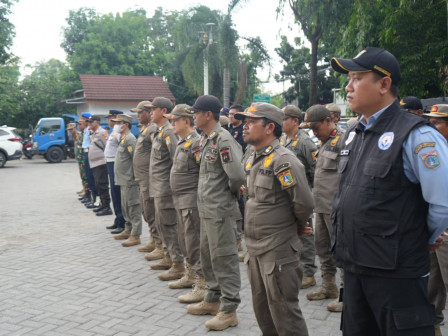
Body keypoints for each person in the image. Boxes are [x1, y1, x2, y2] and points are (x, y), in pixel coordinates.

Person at [330, 46, 448, 335]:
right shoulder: (354, 134)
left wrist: (426, 236)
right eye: (349, 79)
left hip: (398, 275)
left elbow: (443, 201)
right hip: (356, 269)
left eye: (357, 78)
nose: (348, 86)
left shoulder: (417, 134)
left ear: (384, 84)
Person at [235, 102, 314, 336]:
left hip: (277, 248)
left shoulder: (284, 160)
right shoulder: (252, 156)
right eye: (245, 121)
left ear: (269, 127)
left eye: (251, 122)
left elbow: (304, 203)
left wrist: (297, 226)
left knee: (284, 311)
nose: (245, 127)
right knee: (262, 309)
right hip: (255, 248)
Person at [186, 95, 245, 331]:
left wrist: (228, 195)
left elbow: (238, 176)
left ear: (207, 114)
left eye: (196, 113)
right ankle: (212, 300)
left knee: (224, 259)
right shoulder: (207, 139)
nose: (193, 117)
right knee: (209, 256)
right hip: (207, 209)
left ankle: (229, 309)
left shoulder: (223, 139)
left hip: (220, 210)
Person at [302, 105, 345, 313]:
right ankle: (329, 286)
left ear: (329, 121)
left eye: (317, 127)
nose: (314, 133)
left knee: (341, 251)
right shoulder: (324, 143)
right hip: (320, 207)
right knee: (322, 248)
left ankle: (348, 295)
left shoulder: (344, 141)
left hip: (336, 209)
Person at [165, 104, 205, 303]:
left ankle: (202, 284)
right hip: (180, 200)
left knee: (194, 242)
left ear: (186, 121)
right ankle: (190, 274)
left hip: (191, 202)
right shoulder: (183, 143)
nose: (172, 123)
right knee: (184, 240)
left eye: (175, 120)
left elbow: (203, 173)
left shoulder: (196, 143)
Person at [145, 98, 185, 281]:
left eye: (153, 109)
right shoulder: (161, 131)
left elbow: (175, 160)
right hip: (157, 187)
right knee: (162, 224)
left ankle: (178, 264)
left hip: (165, 189)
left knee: (169, 226)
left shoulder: (169, 132)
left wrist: (173, 187)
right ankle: (169, 257)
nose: (150, 112)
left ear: (163, 111)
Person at [280, 105, 318, 289]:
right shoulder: (282, 140)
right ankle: (297, 267)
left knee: (306, 232)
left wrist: (309, 190)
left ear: (295, 121)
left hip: (301, 195)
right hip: (285, 196)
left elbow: (316, 170)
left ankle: (309, 272)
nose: (281, 122)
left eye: (284, 118)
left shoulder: (305, 142)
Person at [423, 104, 448, 336]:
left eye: (437, 122)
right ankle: (433, 326)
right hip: (433, 228)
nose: (431, 126)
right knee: (432, 282)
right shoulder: (432, 151)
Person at [131, 101, 164, 260]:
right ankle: (153, 239)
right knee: (146, 210)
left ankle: (159, 244)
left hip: (149, 179)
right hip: (142, 178)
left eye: (140, 112)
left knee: (150, 211)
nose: (138, 115)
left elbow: (157, 152)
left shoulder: (152, 129)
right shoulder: (146, 128)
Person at [111, 114, 142, 247]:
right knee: (125, 207)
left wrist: (134, 178)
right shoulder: (123, 139)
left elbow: (135, 159)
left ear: (126, 124)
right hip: (123, 180)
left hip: (130, 180)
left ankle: (135, 234)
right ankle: (128, 229)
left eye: (120, 122)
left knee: (133, 207)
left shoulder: (130, 139)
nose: (117, 124)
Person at [104, 110, 126, 233]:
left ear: (116, 117)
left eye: (110, 118)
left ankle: (121, 221)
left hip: (115, 163)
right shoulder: (114, 130)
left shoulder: (118, 130)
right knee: (113, 192)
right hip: (110, 162)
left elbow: (121, 146)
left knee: (117, 192)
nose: (108, 120)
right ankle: (118, 219)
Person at [87, 115, 112, 215]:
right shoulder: (95, 133)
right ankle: (103, 204)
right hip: (95, 163)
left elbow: (107, 146)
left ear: (97, 122)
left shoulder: (102, 132)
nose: (89, 124)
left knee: (102, 184)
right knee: (98, 184)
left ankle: (107, 207)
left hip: (101, 163)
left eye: (91, 122)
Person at [80, 112, 98, 207]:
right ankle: (92, 198)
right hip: (86, 152)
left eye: (84, 119)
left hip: (90, 152)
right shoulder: (87, 129)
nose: (83, 121)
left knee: (92, 177)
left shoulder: (91, 130)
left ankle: (96, 200)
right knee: (88, 177)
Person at [76, 118, 90, 203]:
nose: (79, 126)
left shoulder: (86, 133)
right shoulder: (82, 133)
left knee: (86, 177)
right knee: (83, 177)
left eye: (80, 124)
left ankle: (88, 194)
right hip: (81, 158)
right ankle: (86, 193)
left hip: (84, 158)